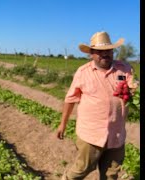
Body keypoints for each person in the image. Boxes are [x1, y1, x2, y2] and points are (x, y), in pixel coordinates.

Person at [56, 31, 138, 180]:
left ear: (113, 51)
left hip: (116, 134)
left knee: (111, 175)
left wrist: (134, 89)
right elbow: (70, 99)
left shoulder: (125, 69)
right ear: (91, 53)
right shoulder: (83, 72)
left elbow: (134, 86)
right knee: (81, 170)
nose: (104, 54)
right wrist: (63, 125)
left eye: (108, 51)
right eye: (99, 51)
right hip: (91, 135)